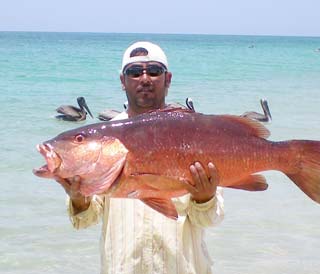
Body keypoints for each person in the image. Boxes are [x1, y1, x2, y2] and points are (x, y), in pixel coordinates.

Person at [56, 41, 224, 274]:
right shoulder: (103, 141)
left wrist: (205, 198)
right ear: (122, 81)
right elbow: (84, 220)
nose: (144, 78)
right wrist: (78, 199)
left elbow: (210, 220)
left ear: (168, 79)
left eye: (154, 71)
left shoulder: (192, 133)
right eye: (134, 72)